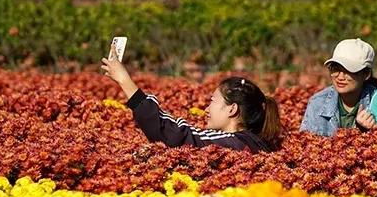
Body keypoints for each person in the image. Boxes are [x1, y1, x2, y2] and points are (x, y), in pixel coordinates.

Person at [101, 47, 280, 153]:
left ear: (232, 109)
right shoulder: (254, 142)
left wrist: (125, 81)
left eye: (212, 101)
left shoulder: (229, 143)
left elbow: (176, 135)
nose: (207, 109)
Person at [299, 38, 377, 137]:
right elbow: (304, 145)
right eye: (335, 69)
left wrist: (374, 131)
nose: (340, 77)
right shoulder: (318, 103)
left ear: (366, 74)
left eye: (349, 70)